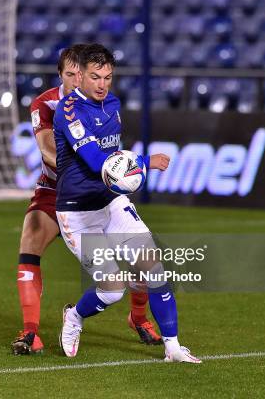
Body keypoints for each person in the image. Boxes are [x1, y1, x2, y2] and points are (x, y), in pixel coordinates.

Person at [53, 43, 201, 363]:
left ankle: (173, 347)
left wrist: (130, 173)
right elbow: (96, 161)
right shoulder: (68, 111)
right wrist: (145, 162)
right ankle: (75, 317)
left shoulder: (113, 104)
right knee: (112, 290)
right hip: (78, 213)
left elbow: (115, 159)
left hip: (112, 203)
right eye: (95, 77)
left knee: (154, 268)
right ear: (79, 76)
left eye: (107, 77)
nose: (102, 84)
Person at [12, 44, 161, 355]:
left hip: (99, 191)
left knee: (142, 257)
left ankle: (139, 318)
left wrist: (113, 168)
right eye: (69, 74)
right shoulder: (46, 104)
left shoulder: (100, 102)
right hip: (55, 190)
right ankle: (29, 332)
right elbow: (48, 152)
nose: (75, 79)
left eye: (80, 74)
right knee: (29, 244)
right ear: (62, 75)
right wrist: (87, 160)